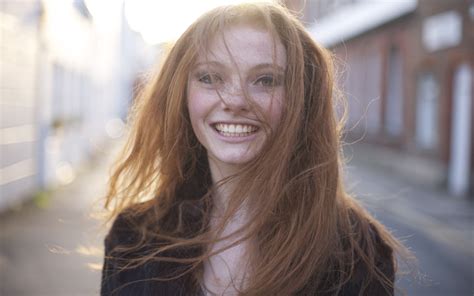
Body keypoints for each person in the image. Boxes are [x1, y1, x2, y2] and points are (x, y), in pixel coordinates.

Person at [101, 3, 406, 295]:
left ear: (301, 101)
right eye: (210, 77)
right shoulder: (133, 237)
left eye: (265, 80)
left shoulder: (356, 252)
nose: (235, 100)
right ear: (182, 94)